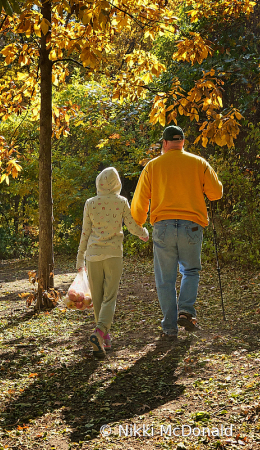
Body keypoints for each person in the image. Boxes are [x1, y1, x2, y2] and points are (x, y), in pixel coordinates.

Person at [131, 125, 223, 341]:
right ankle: (186, 311)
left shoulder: (152, 166)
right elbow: (216, 193)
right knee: (191, 271)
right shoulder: (198, 163)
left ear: (164, 143)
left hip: (162, 226)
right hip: (191, 225)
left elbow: (140, 201)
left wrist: (138, 224)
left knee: (165, 279)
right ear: (183, 142)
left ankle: (169, 328)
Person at [76, 167, 149, 358]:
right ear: (117, 183)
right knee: (110, 297)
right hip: (113, 255)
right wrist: (144, 234)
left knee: (98, 298)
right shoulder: (121, 201)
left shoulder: (90, 203)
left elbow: (85, 232)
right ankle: (99, 332)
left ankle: (104, 338)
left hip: (92, 255)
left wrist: (79, 258)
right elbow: (132, 226)